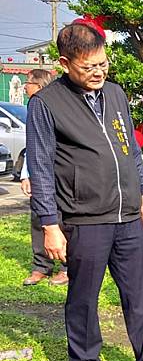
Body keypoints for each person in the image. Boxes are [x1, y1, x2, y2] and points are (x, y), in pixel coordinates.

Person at [26, 23, 143, 361]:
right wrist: (50, 224)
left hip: (129, 218)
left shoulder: (115, 94)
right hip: (85, 221)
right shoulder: (47, 103)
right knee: (83, 299)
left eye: (103, 64)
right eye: (89, 67)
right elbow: (39, 164)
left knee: (140, 297)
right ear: (65, 63)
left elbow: (130, 151)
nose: (99, 72)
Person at [20, 69, 69, 287]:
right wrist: (26, 174)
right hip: (39, 173)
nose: (24, 86)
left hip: (61, 174)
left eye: (27, 82)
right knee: (38, 218)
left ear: (39, 85)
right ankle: (42, 266)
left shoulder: (55, 104)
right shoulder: (34, 105)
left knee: (64, 220)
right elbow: (32, 146)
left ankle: (67, 267)